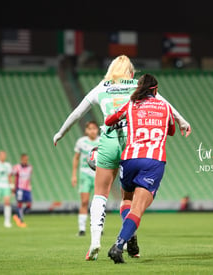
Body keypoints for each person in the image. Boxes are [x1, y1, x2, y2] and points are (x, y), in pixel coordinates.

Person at [53, 55, 191, 261]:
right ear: (131, 72)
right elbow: (165, 105)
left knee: (100, 194)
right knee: (129, 198)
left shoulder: (101, 87)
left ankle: (94, 242)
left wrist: (60, 133)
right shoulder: (138, 87)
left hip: (108, 140)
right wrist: (182, 122)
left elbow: (77, 113)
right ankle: (128, 238)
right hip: (132, 143)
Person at [104, 73, 176, 263]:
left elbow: (109, 120)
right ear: (155, 89)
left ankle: (129, 234)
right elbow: (172, 130)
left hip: (129, 158)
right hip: (153, 161)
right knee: (138, 209)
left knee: (127, 199)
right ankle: (119, 245)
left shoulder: (131, 104)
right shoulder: (165, 106)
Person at [72, 121, 100, 236]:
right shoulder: (81, 142)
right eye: (90, 128)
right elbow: (76, 158)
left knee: (98, 202)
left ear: (97, 130)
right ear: (86, 130)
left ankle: (98, 227)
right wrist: (74, 175)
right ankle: (82, 229)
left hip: (99, 174)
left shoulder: (101, 141)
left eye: (94, 128)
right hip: (85, 174)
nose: (92, 131)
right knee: (84, 201)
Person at [12, 153, 33, 228]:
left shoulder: (30, 167)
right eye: (24, 159)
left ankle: (17, 216)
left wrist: (30, 186)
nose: (26, 161)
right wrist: (13, 187)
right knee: (20, 204)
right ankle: (20, 221)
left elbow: (29, 178)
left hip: (27, 189)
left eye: (27, 159)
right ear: (21, 159)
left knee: (29, 205)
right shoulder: (17, 167)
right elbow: (12, 176)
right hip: (19, 188)